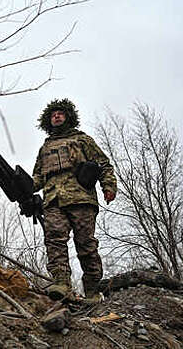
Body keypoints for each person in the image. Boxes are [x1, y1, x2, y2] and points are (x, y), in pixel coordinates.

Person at [32, 98, 117, 304]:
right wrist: (21, 187)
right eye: (53, 115)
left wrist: (109, 186)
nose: (57, 116)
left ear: (68, 116)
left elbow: (103, 164)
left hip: (81, 199)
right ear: (48, 120)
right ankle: (61, 283)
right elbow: (37, 178)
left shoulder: (82, 140)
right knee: (54, 240)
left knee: (86, 244)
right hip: (53, 201)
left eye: (60, 113)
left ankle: (92, 291)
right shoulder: (45, 148)